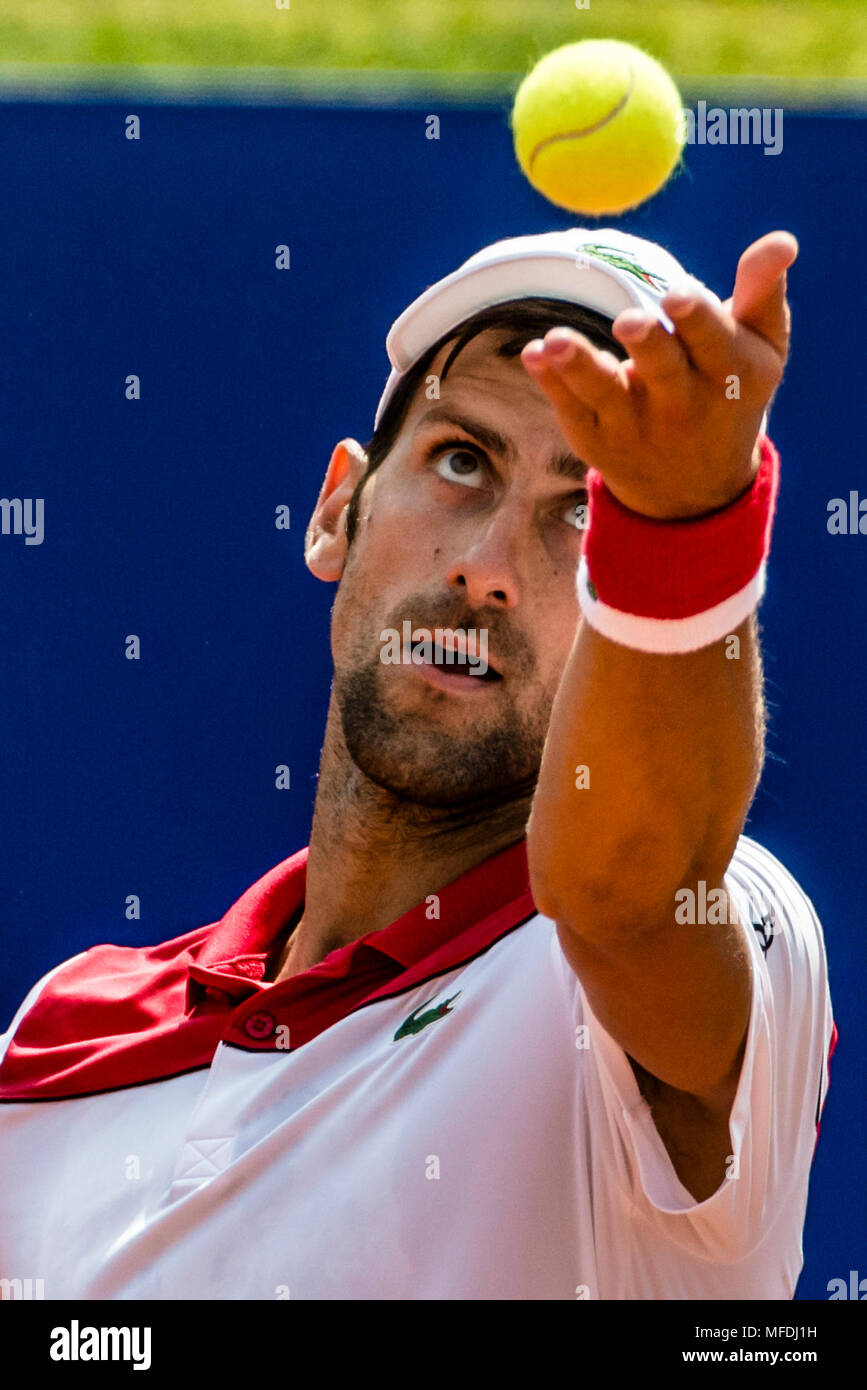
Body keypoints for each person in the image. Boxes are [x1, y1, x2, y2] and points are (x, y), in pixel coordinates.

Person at [0, 227, 835, 1300]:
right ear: (338, 507)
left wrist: (684, 523)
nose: (485, 570)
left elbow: (627, 892)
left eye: (589, 507)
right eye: (461, 460)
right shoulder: (64, 1038)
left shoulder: (693, 940)